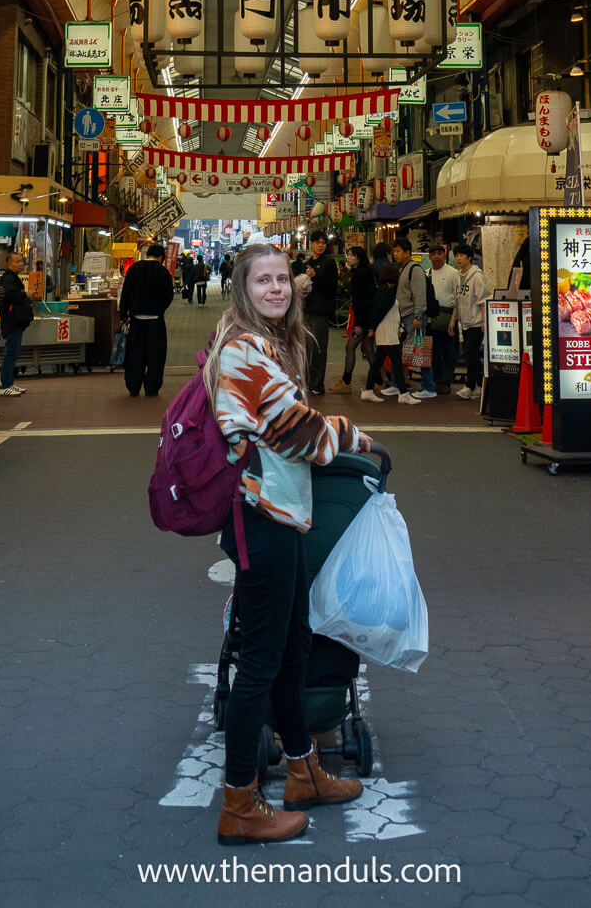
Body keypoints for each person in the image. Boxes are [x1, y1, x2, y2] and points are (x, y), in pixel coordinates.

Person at [206, 243, 383, 845]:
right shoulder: (245, 349)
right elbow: (297, 431)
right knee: (261, 659)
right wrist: (358, 436)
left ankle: (304, 771)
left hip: (276, 513)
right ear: (243, 289)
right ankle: (240, 804)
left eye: (283, 279)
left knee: (290, 647)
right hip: (258, 514)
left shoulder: (268, 345)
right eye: (264, 281)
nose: (277, 289)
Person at [118, 241, 174, 397]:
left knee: (135, 356)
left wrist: (124, 314)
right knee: (156, 357)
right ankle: (152, 387)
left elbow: (126, 293)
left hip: (136, 321)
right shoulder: (163, 273)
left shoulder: (134, 269)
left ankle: (133, 387)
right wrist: (160, 309)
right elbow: (169, 296)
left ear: (147, 253)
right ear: (161, 257)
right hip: (156, 321)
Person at [363, 256, 416, 404]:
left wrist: (373, 327)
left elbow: (377, 311)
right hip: (387, 332)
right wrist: (372, 327)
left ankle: (368, 390)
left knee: (378, 362)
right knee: (396, 363)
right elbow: (379, 311)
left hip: (385, 331)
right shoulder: (386, 291)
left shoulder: (384, 289)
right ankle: (403, 393)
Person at [296, 230, 337, 397]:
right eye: (317, 242)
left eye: (323, 242)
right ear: (311, 244)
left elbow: (331, 287)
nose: (320, 245)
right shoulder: (306, 263)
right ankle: (305, 383)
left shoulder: (329, 263)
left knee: (319, 348)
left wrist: (316, 277)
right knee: (305, 348)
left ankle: (317, 385)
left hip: (321, 312)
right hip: (306, 310)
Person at [391, 238, 430, 398]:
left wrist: (418, 316)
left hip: (413, 317)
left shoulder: (415, 269)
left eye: (398, 251)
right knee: (400, 353)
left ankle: (428, 386)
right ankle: (397, 384)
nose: (395, 254)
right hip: (402, 317)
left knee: (420, 352)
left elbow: (420, 295)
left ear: (407, 252)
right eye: (394, 251)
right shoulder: (402, 268)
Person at [334, 246, 377, 395]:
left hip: (363, 319)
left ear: (359, 257)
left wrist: (359, 324)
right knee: (369, 350)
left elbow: (361, 301)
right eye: (348, 255)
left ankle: (346, 381)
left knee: (350, 347)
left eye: (351, 255)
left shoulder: (360, 275)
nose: (348, 258)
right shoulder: (364, 273)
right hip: (367, 318)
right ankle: (380, 380)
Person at [0, 254, 34, 396]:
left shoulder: (12, 278)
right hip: (12, 321)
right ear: (9, 264)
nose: (21, 264)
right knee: (10, 353)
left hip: (16, 321)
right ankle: (4, 385)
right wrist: (25, 295)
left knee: (13, 353)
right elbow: (8, 296)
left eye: (22, 261)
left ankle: (9, 383)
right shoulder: (8, 279)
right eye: (18, 262)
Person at [452, 243, 487, 400]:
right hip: (464, 322)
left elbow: (483, 299)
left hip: (476, 322)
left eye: (462, 255)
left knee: (469, 354)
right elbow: (457, 301)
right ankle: (479, 385)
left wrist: (484, 320)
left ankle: (470, 386)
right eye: (456, 255)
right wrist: (453, 321)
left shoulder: (477, 275)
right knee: (470, 355)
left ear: (470, 257)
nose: (458, 258)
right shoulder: (458, 276)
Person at [426, 239, 460, 396]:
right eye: (434, 254)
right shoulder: (427, 273)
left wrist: (454, 320)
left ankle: (446, 382)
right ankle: (437, 381)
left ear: (444, 256)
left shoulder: (453, 273)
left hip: (448, 318)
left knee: (450, 353)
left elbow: (458, 298)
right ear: (429, 257)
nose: (437, 257)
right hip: (431, 319)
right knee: (433, 353)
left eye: (440, 254)